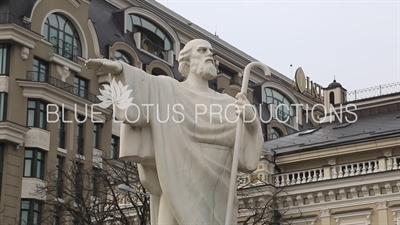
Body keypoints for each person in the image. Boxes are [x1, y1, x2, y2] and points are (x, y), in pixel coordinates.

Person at [85, 39, 263, 225]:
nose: (210, 55)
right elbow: (142, 85)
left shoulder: (229, 104)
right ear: (186, 60)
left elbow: (246, 160)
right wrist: (120, 69)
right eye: (202, 50)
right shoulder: (169, 90)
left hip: (219, 190)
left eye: (211, 52)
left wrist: (251, 121)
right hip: (175, 178)